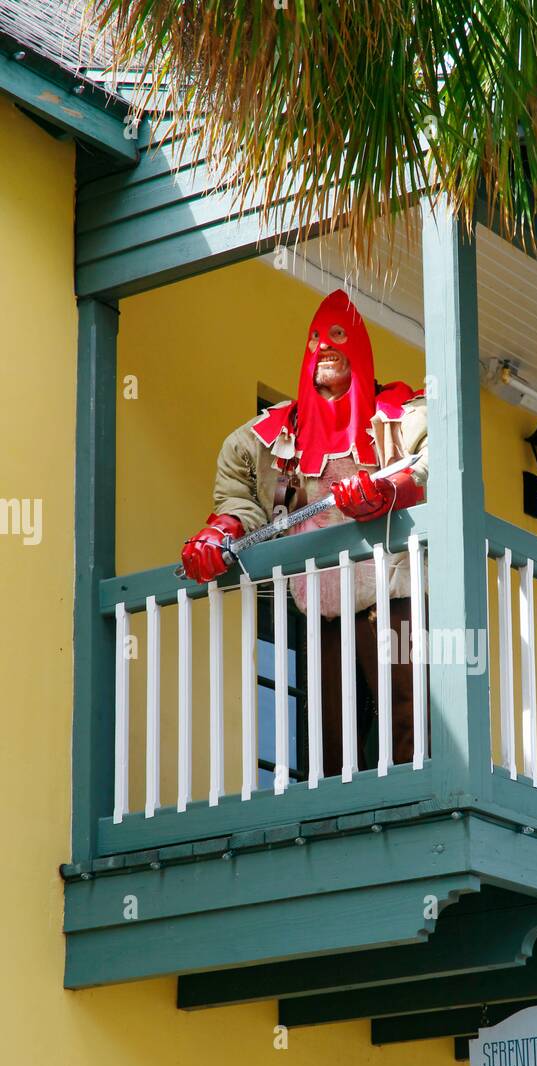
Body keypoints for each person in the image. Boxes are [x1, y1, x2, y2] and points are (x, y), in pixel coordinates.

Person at [180, 289, 427, 776]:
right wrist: (218, 534)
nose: (325, 347)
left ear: (358, 344)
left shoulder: (403, 416)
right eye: (316, 338)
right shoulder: (271, 436)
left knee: (410, 712)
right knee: (329, 728)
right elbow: (240, 497)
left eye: (338, 335)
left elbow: (433, 465)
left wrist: (388, 490)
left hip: (391, 592)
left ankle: (417, 800)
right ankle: (341, 821)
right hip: (321, 605)